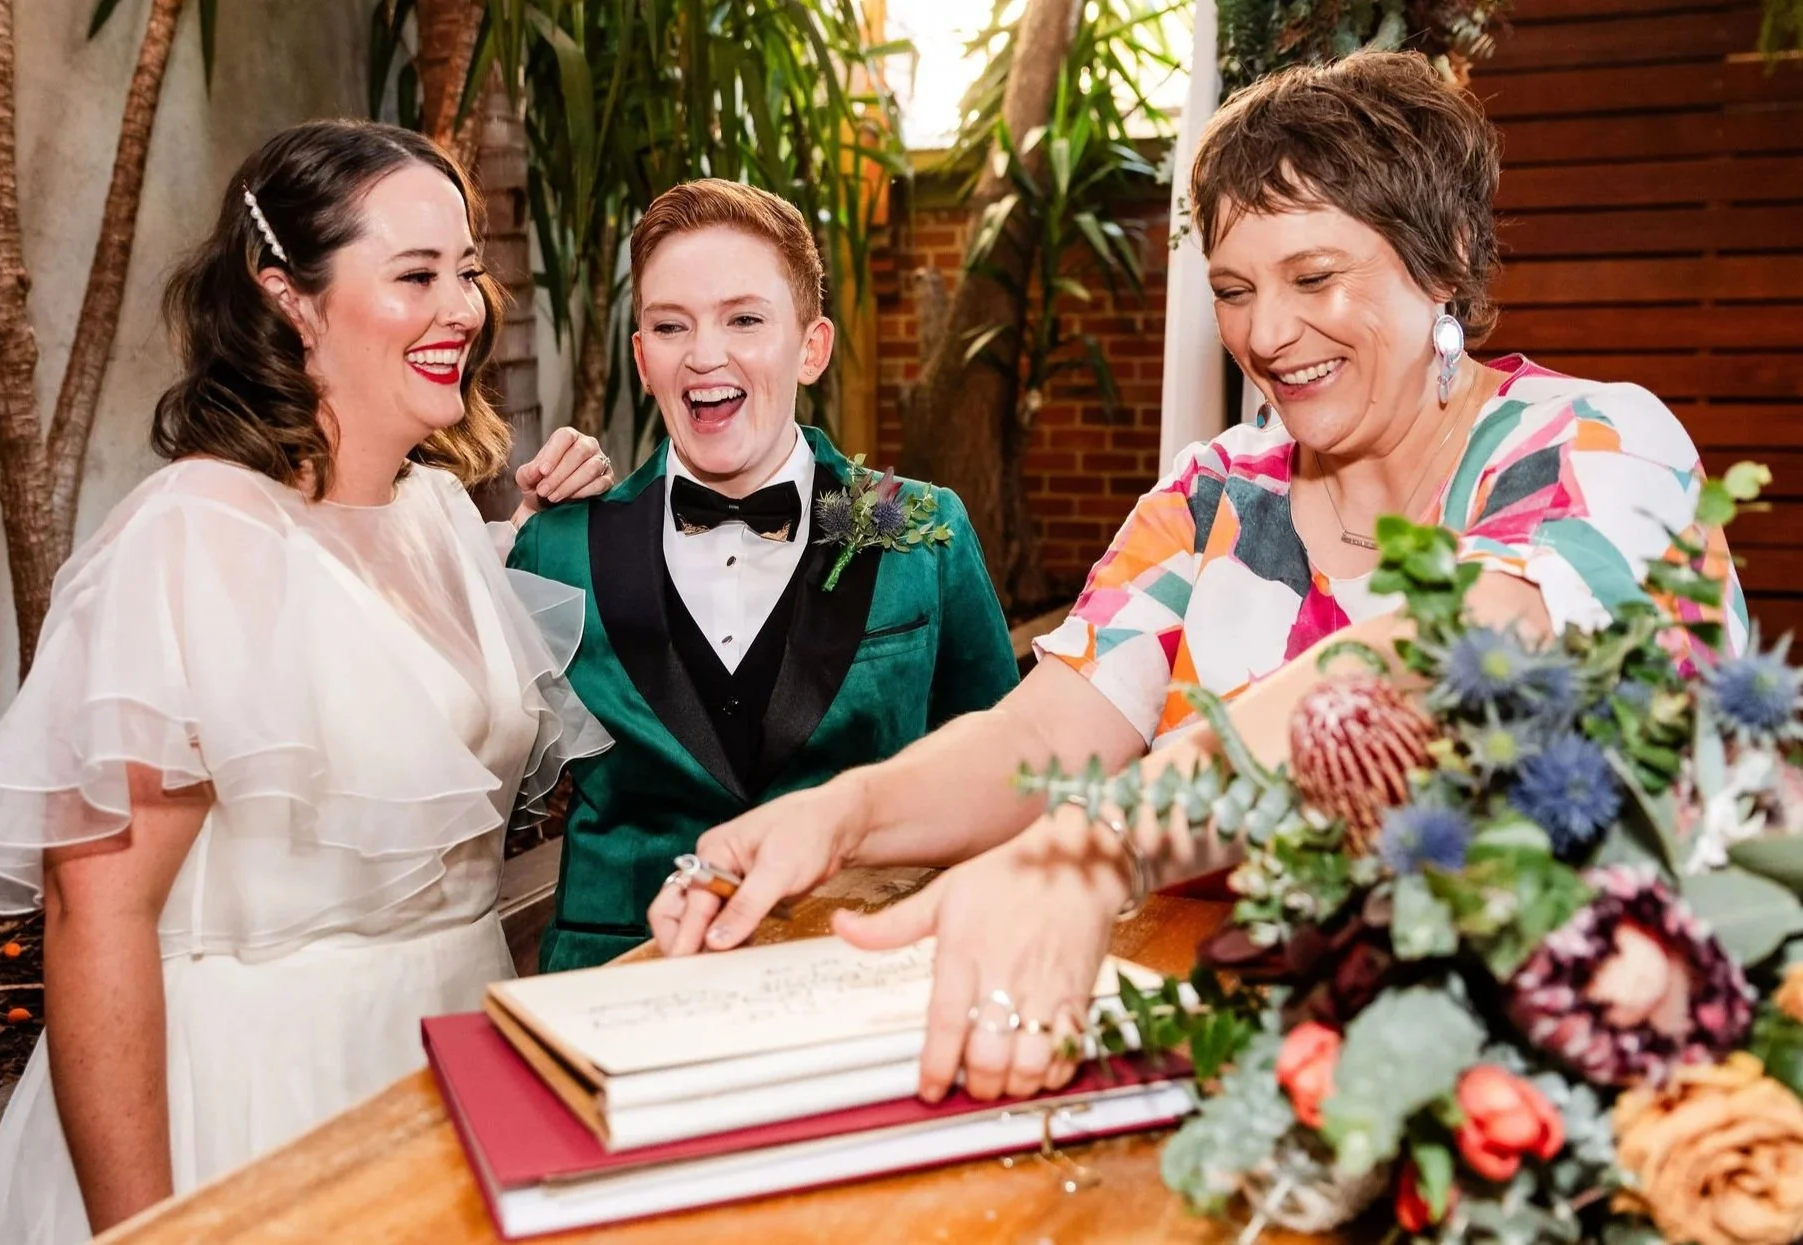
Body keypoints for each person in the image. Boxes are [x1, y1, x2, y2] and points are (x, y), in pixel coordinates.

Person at [648, 53, 1749, 1103]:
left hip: (1591, 1076)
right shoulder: (1216, 490)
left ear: (1445, 253)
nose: (1266, 334)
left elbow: (1434, 665)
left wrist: (1095, 847)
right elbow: (1041, 738)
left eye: (1314, 277)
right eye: (1232, 288)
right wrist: (842, 815)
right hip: (1258, 1066)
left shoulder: (1597, 444)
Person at [0, 119, 616, 1242]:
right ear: (287, 297)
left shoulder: (439, 516)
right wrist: (145, 1230)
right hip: (255, 1105)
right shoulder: (194, 538)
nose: (463, 307)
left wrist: (548, 522)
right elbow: (92, 911)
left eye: (465, 271)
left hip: (455, 1070)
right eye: (415, 275)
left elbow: (393, 682)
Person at [507, 179, 1019, 972]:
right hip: (621, 978)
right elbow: (496, 788)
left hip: (861, 962)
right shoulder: (560, 549)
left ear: (810, 345)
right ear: (643, 358)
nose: (706, 355)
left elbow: (1002, 771)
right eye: (671, 326)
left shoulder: (922, 531)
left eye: (744, 319)